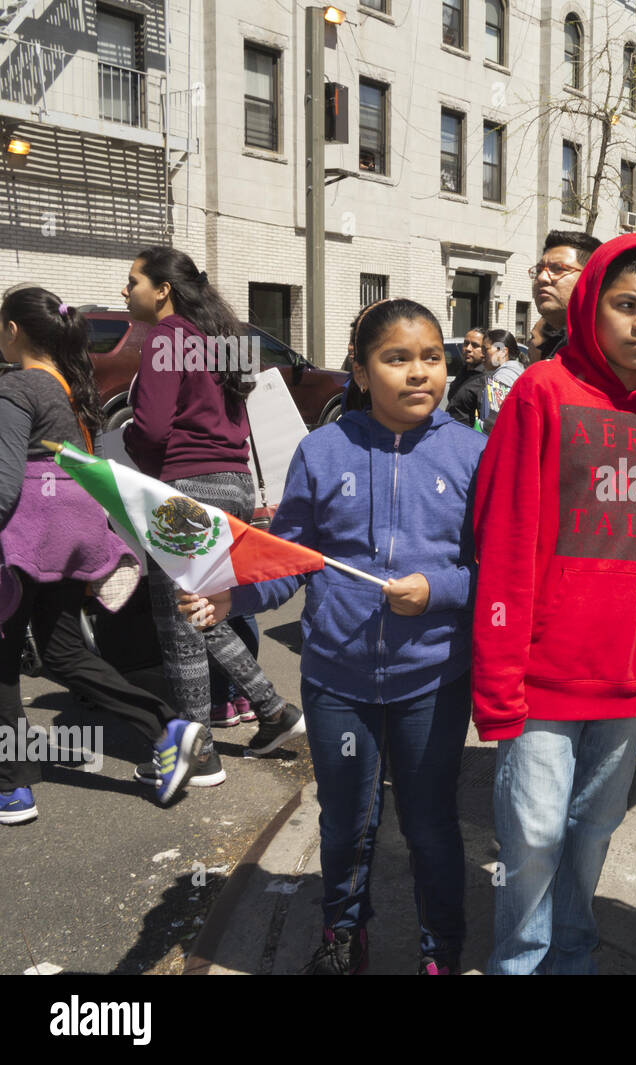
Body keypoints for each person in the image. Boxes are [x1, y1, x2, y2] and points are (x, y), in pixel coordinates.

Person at [181, 298, 485, 975]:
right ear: (360, 366)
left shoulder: (473, 452)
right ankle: (342, 934)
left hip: (433, 682)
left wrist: (435, 591)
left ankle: (441, 948)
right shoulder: (323, 451)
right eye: (396, 358)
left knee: (431, 824)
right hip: (335, 682)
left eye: (431, 357)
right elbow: (288, 559)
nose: (418, 373)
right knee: (345, 820)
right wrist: (232, 594)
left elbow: (495, 570)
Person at [473, 234, 636, 974]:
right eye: (628, 305)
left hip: (624, 676)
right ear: (590, 306)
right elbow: (504, 536)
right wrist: (498, 677)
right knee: (534, 835)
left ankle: (571, 955)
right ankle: (520, 961)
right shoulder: (543, 390)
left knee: (594, 829)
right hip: (544, 670)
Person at [0, 286, 207, 822]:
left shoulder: (17, 386)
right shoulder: (70, 388)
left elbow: (4, 486)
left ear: (14, 331)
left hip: (24, 542)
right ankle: (166, 727)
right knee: (63, 649)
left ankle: (13, 784)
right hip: (70, 534)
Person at [121, 247, 303, 788]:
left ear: (162, 290)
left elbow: (150, 429)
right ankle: (274, 713)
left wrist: (132, 455)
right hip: (234, 484)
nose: (125, 291)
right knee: (202, 612)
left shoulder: (164, 337)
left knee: (176, 622)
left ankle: (196, 754)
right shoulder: (230, 339)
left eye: (132, 281)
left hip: (187, 486)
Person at [530, 231, 602, 361]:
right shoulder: (555, 350)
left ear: (591, 277)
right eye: (539, 270)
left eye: (558, 268)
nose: (542, 278)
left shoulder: (611, 352)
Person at [478, 328, 525, 433]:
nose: (482, 355)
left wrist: (480, 425)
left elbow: (493, 424)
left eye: (485, 350)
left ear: (503, 351)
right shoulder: (519, 371)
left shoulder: (501, 379)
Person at [445, 327, 487, 428]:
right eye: (465, 343)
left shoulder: (486, 379)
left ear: (485, 351)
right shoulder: (463, 370)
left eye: (475, 345)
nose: (468, 348)